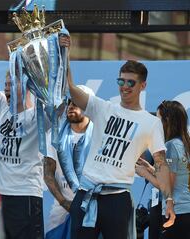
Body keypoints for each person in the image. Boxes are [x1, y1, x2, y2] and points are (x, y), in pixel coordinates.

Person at [0, 19, 74, 238]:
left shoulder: (38, 117)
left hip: (26, 197)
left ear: (28, 87)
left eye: (12, 84)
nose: (6, 89)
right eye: (6, 85)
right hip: (1, 196)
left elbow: (60, 99)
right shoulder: (2, 106)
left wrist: (63, 55)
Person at [65, 56, 176, 238]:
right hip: (86, 194)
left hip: (117, 199)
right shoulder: (102, 108)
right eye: (121, 81)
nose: (125, 86)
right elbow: (70, 88)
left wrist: (169, 199)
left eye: (131, 82)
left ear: (143, 86)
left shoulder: (151, 123)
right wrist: (65, 52)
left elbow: (161, 163)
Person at [44, 85, 94, 239]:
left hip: (92, 206)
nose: (71, 106)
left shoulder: (99, 135)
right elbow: (48, 173)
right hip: (62, 207)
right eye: (69, 102)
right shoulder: (54, 134)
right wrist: (64, 202)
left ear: (89, 107)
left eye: (77, 102)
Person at [136, 100, 190, 239]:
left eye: (158, 119)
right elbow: (175, 177)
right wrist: (151, 169)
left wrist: (144, 174)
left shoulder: (171, 146)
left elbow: (168, 187)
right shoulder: (184, 144)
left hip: (176, 212)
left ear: (167, 121)